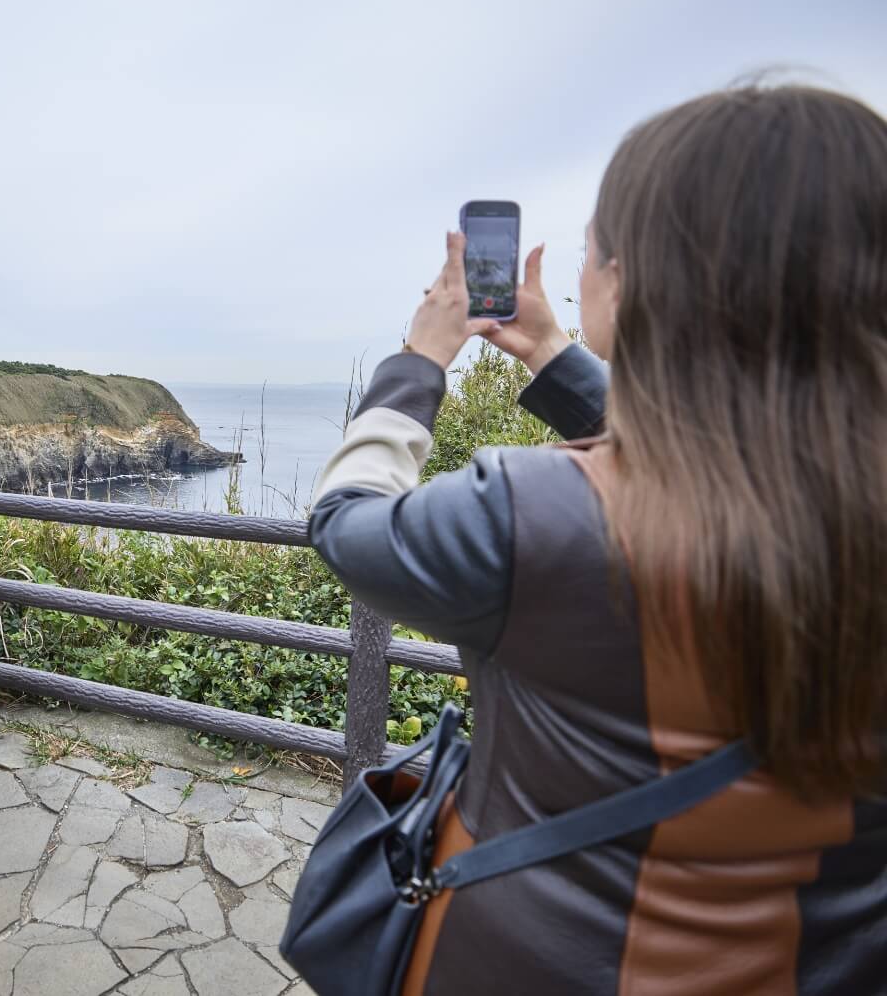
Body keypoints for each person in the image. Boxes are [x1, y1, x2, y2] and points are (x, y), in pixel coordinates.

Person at [309, 84, 885, 994]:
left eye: (594, 249)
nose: (581, 276)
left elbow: (347, 525)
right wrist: (549, 356)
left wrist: (418, 363)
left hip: (529, 963)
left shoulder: (532, 514)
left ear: (637, 280)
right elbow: (732, 455)